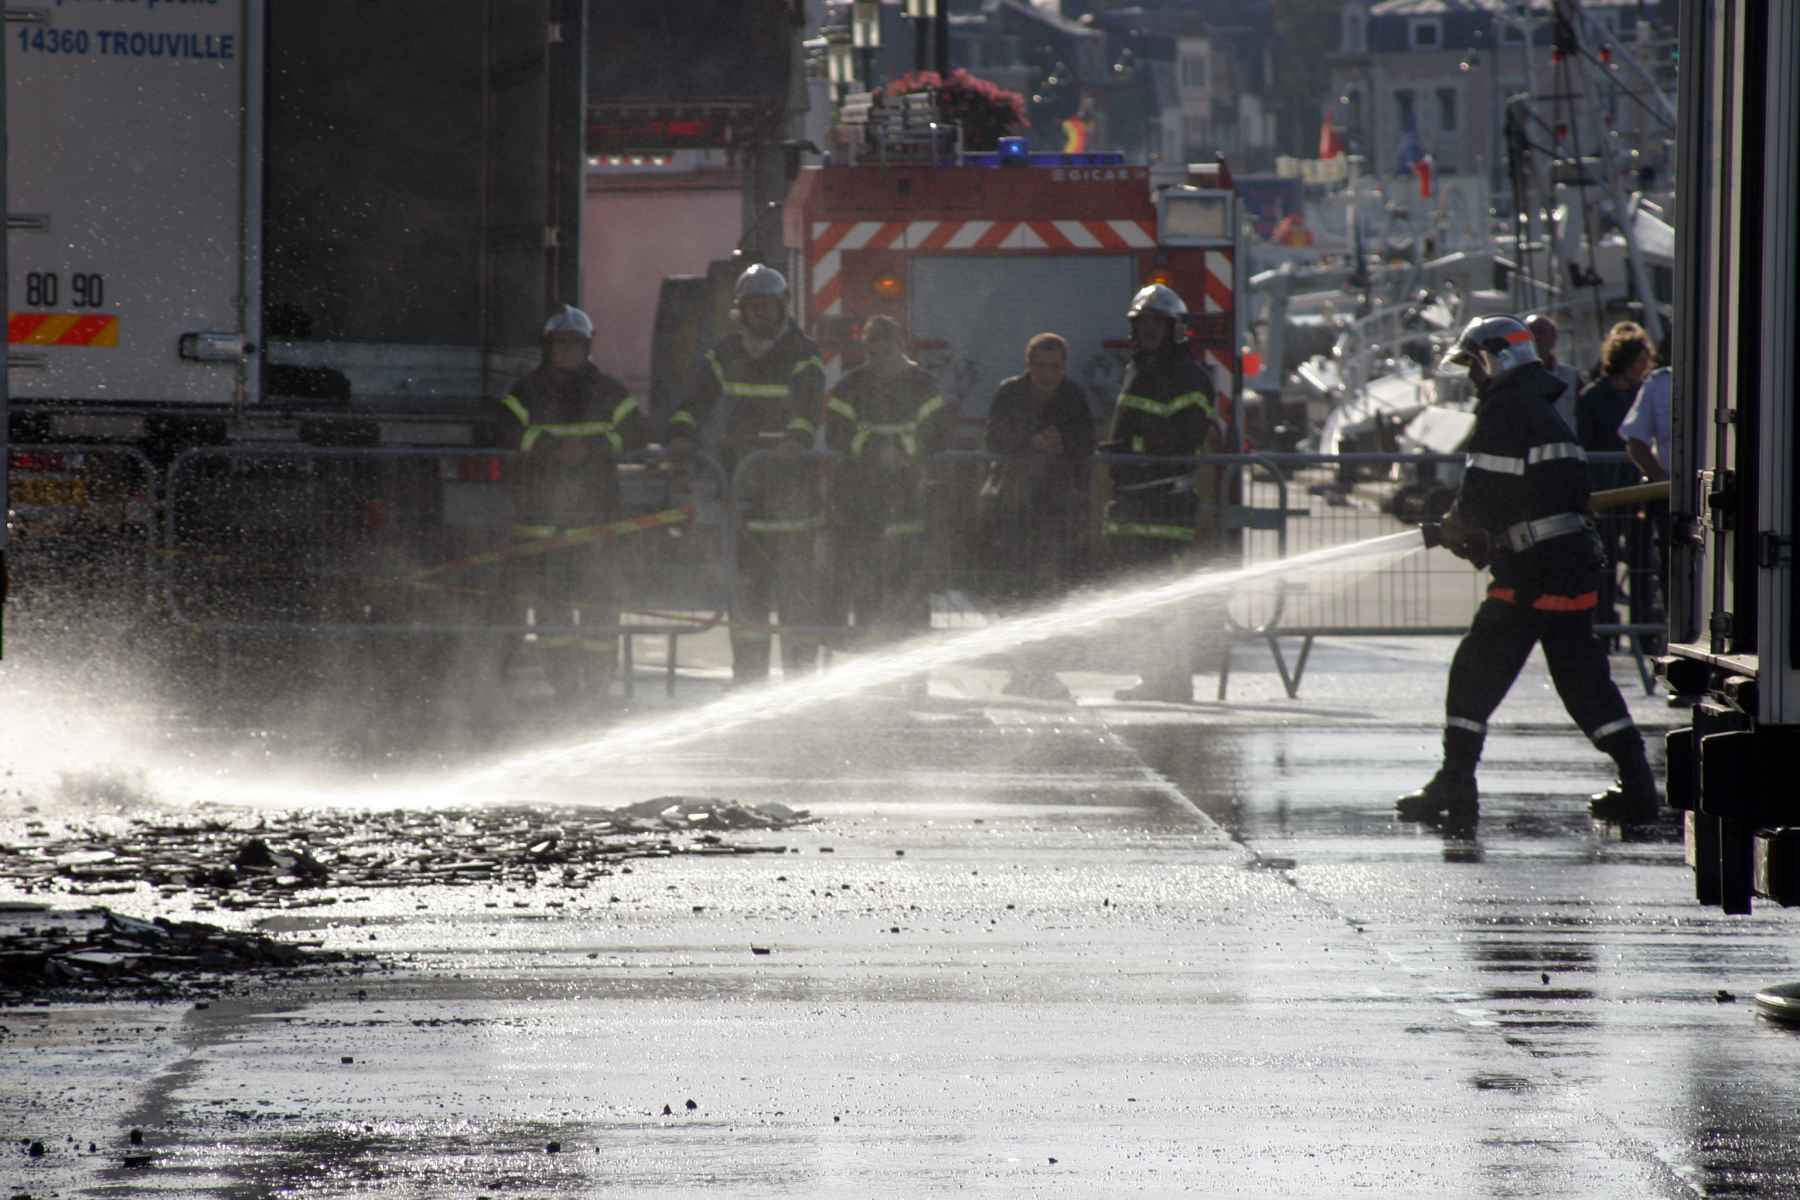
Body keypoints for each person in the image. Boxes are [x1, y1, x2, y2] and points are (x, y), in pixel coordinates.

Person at [1398, 315, 1659, 829]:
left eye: (1474, 364)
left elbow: (1483, 497)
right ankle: (1638, 785)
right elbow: (1533, 495)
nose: (1472, 377)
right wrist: (1480, 535)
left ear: (1496, 359)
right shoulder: (1539, 408)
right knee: (1583, 681)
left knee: (1475, 669)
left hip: (1533, 575)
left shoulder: (1505, 410)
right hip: (1569, 567)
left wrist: (1458, 528)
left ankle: (1456, 780)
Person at [667, 264, 826, 685]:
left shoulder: (803, 353)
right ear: (741, 310)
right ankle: (749, 680)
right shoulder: (725, 354)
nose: (760, 314)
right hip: (743, 491)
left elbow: (809, 408)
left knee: (797, 595)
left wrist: (794, 442)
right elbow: (694, 398)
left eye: (766, 306)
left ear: (782, 308)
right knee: (749, 594)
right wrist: (681, 433)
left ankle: (801, 682)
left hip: (792, 494)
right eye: (752, 307)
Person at [495, 304, 649, 702]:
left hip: (597, 524)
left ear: (587, 347)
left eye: (574, 345)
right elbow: (503, 430)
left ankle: (596, 686)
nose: (567, 352)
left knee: (600, 606)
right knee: (552, 611)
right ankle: (564, 686)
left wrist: (595, 449)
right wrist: (549, 450)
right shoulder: (526, 391)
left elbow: (636, 431)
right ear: (549, 348)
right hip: (542, 528)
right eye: (560, 345)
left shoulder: (609, 391)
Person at [1102, 284, 1225, 704]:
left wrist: (1132, 452)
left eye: (1157, 323)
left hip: (1165, 504)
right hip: (1134, 499)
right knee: (1141, 598)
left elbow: (1183, 437)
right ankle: (1154, 678)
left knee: (1165, 600)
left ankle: (1173, 682)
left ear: (1174, 328)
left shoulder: (1190, 376)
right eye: (1143, 323)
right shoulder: (1138, 369)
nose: (1149, 331)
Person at [823, 315, 954, 654]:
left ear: (900, 344)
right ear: (866, 348)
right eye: (872, 347)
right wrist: (875, 452)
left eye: (886, 346)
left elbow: (937, 432)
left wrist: (902, 454)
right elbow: (838, 433)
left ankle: (913, 679)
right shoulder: (850, 386)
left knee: (910, 591)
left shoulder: (924, 385)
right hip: (862, 504)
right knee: (868, 592)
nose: (880, 355)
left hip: (912, 500)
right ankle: (871, 674)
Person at [981, 332, 1097, 701]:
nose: (1048, 375)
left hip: (1057, 511)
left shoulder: (1073, 397)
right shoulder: (1009, 393)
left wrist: (1063, 442)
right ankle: (1022, 670)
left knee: (1051, 596)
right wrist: (1030, 441)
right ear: (1028, 365)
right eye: (1041, 366)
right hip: (1015, 510)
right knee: (1017, 594)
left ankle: (1044, 670)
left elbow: (1087, 440)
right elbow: (994, 437)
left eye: (1055, 367)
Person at [1577, 322, 1657, 632]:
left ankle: (1642, 626)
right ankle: (1605, 625)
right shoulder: (1593, 396)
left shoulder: (1641, 392)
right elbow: (1585, 442)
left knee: (1641, 562)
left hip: (1638, 489)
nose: (1644, 367)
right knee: (1605, 560)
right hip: (1606, 490)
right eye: (1640, 362)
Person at [1525, 313, 1581, 431]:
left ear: (1554, 337)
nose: (1535, 337)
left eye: (1540, 331)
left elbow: (1583, 417)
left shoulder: (1571, 376)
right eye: (1530, 332)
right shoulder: (1513, 378)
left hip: (1563, 447)